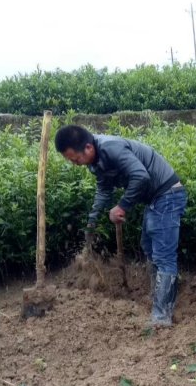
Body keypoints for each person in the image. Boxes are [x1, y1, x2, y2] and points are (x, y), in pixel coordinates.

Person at [54, 125, 187, 327]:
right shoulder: (95, 162)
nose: (75, 164)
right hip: (156, 199)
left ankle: (161, 316)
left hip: (168, 194)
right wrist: (92, 221)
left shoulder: (110, 148)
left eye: (75, 159)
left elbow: (141, 176)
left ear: (88, 147)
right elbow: (104, 189)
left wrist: (122, 206)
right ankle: (160, 297)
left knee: (163, 255)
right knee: (149, 247)